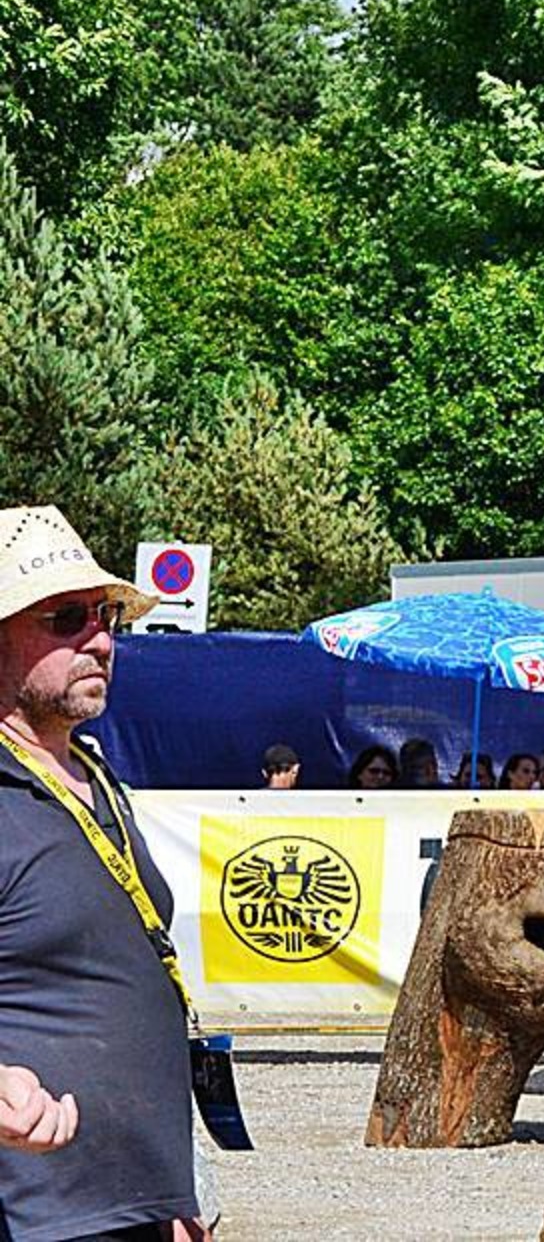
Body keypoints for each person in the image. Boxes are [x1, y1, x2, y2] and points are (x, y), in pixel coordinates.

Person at [0, 505, 209, 1238]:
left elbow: (134, 988)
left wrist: (183, 1193)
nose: (99, 639)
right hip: (32, 1215)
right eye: (65, 619)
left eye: (106, 615)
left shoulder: (89, 772)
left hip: (131, 1209)